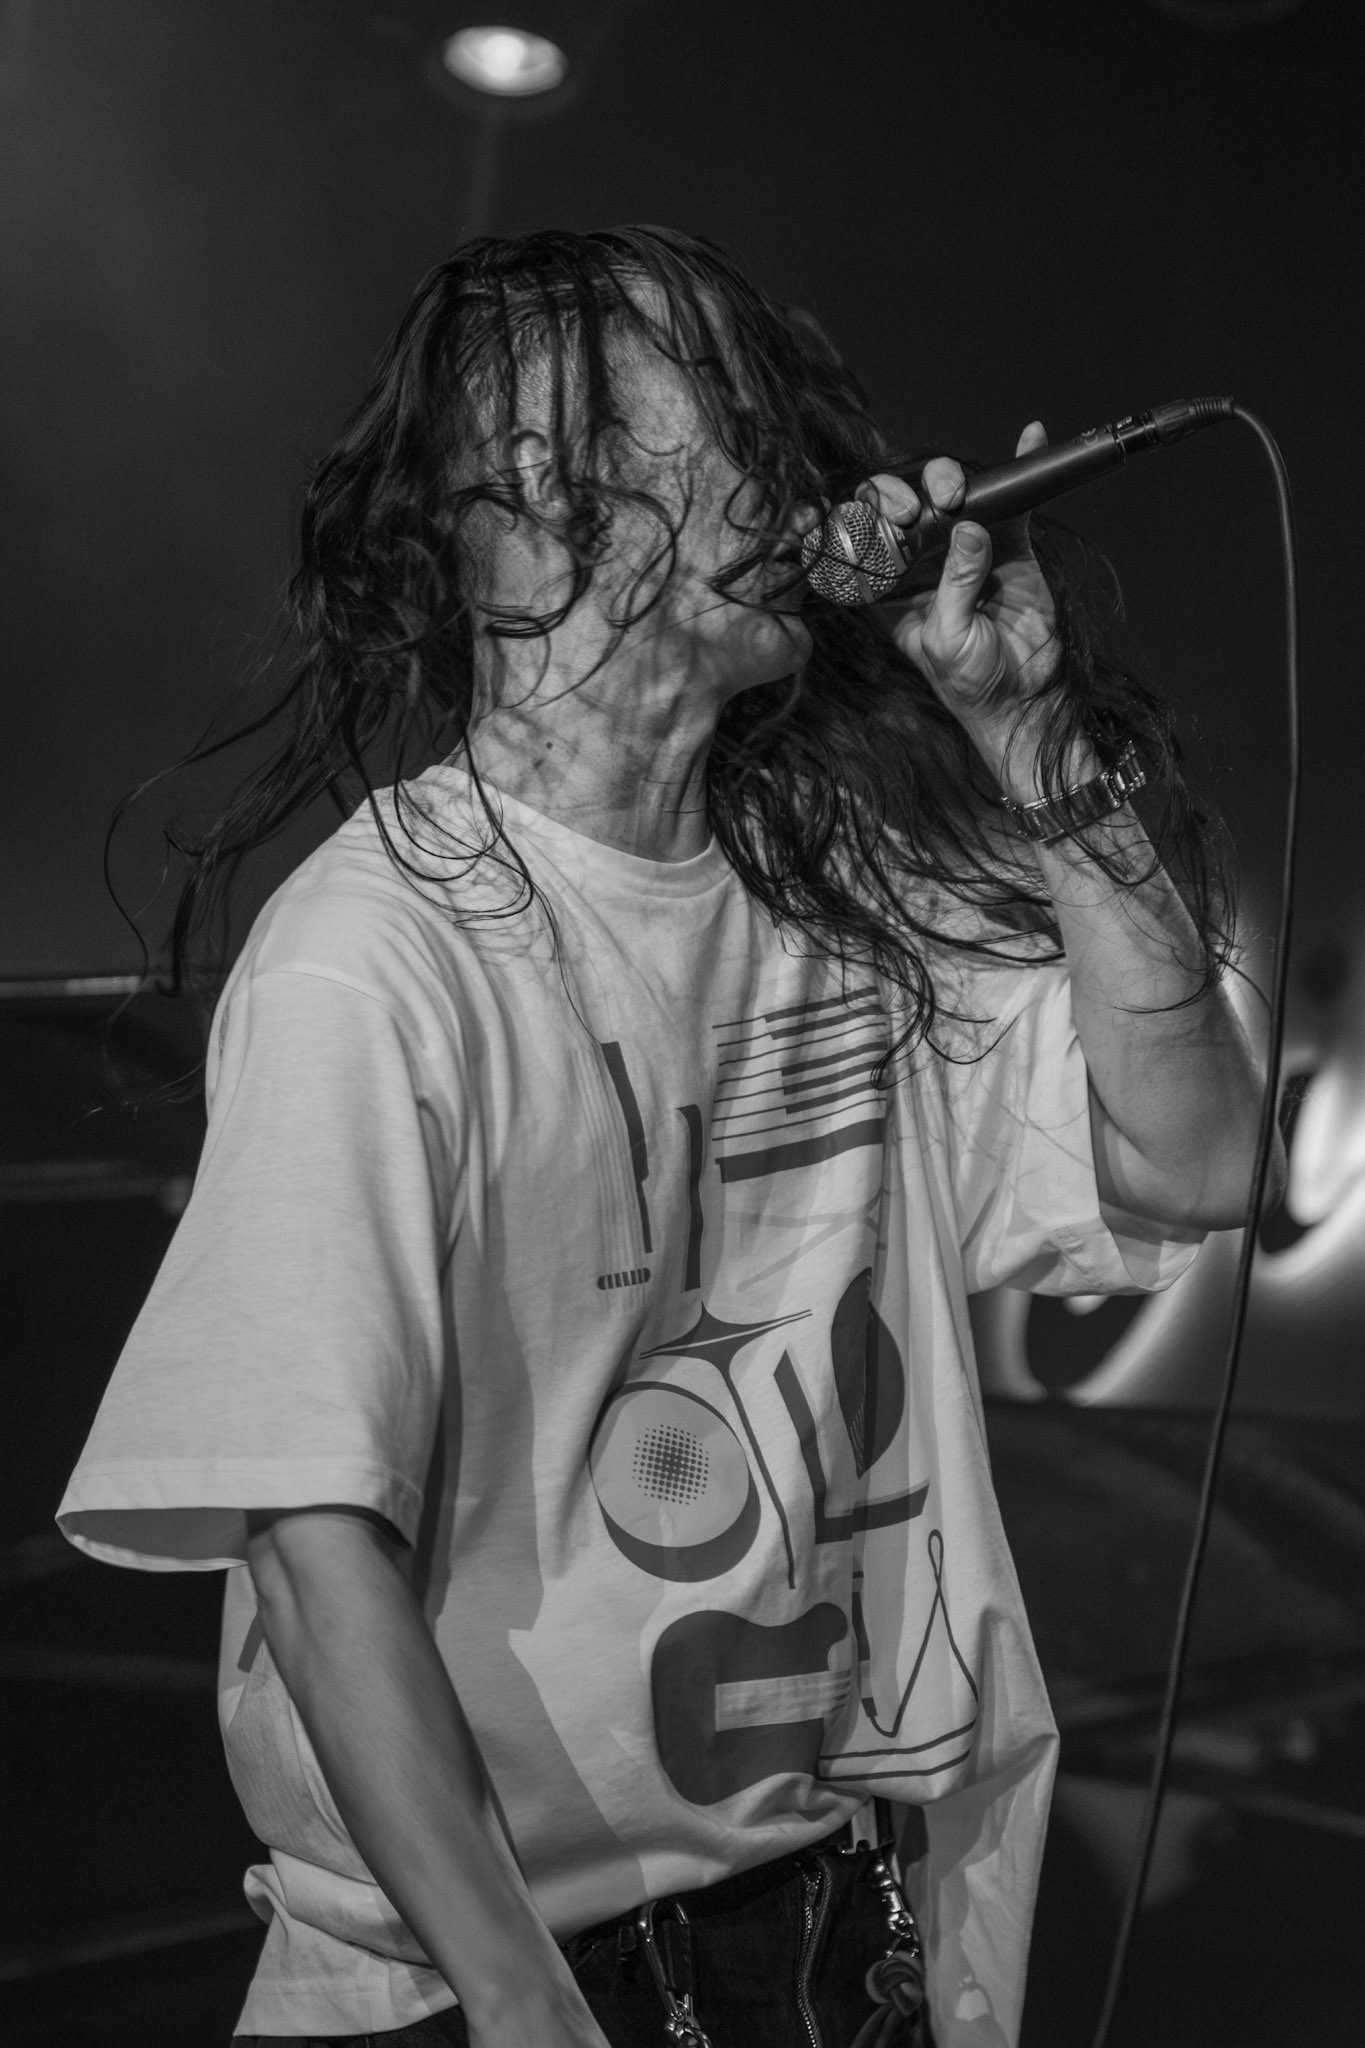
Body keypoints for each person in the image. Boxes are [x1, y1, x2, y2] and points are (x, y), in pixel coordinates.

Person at [58, 226, 1277, 2048]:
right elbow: (314, 1556)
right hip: (485, 1972)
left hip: (824, 1926)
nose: (794, 470)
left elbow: (1198, 1161)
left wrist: (1033, 746)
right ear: (539, 481)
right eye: (726, 408)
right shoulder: (374, 956)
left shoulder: (834, 899)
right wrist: (522, 2003)